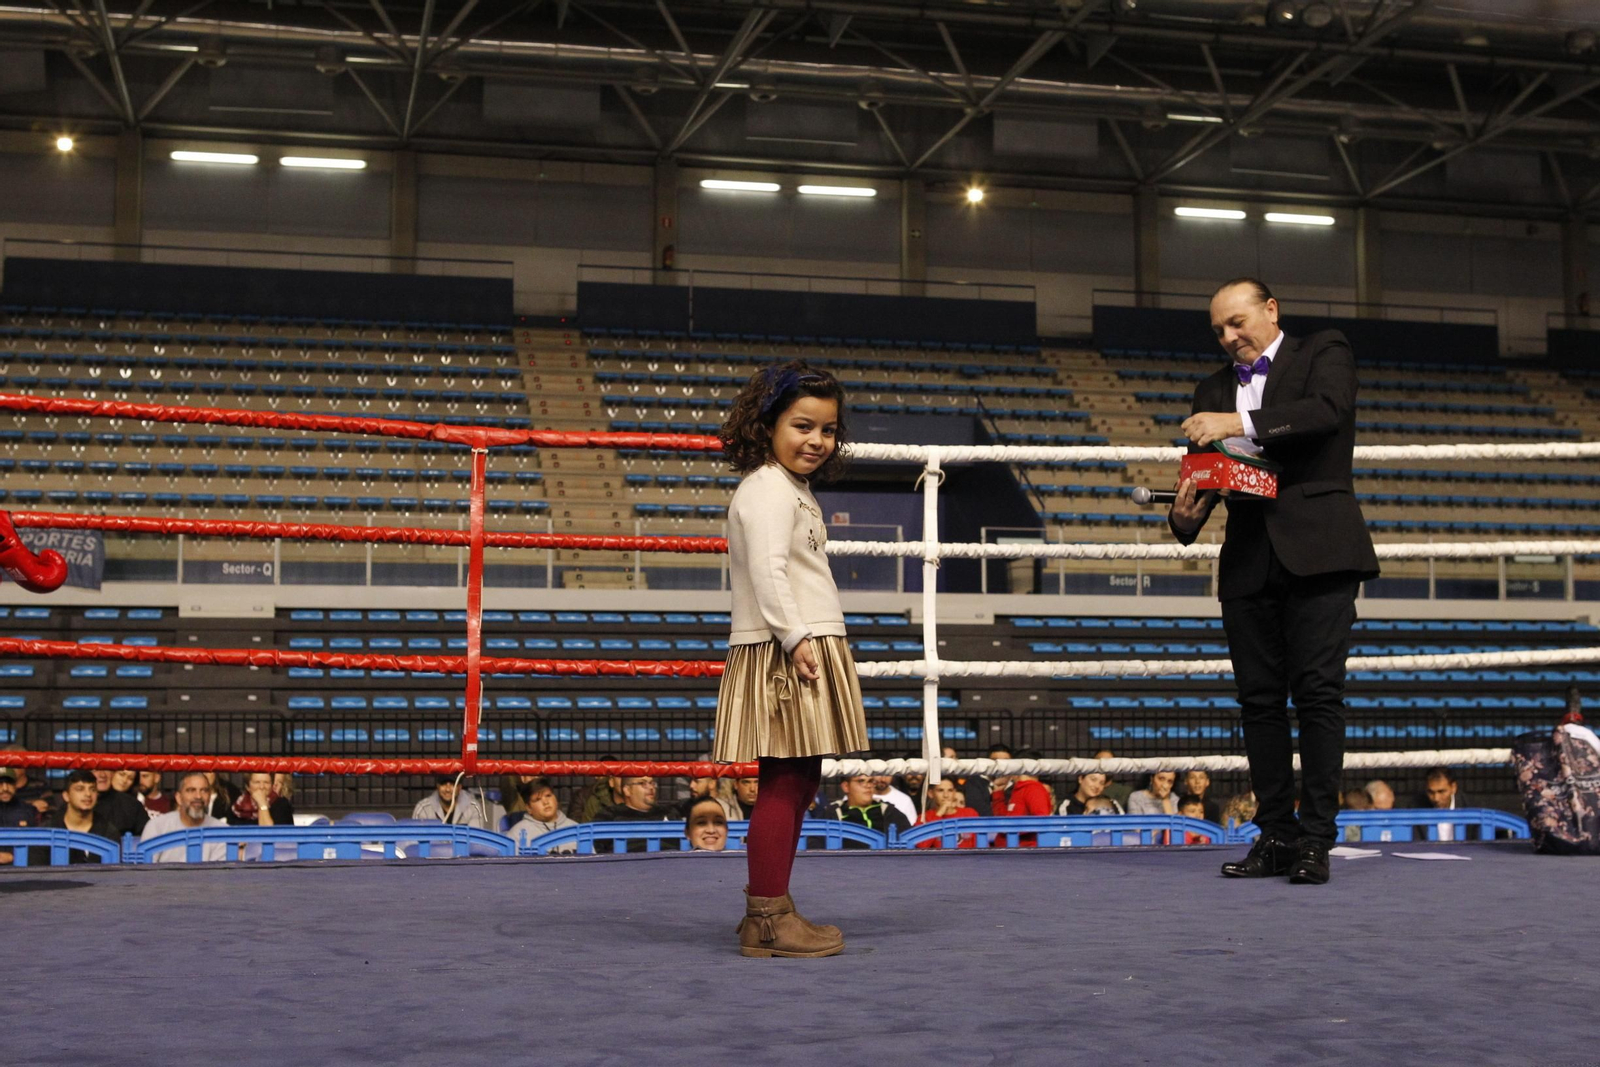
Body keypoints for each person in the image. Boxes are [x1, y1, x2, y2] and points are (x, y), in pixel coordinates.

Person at [1168, 278, 1378, 886]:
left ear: (1271, 309)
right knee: (1259, 704)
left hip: (1320, 551)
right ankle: (1277, 836)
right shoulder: (1212, 389)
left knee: (1317, 696)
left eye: (1237, 323)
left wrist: (1237, 419)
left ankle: (1316, 841)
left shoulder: (1323, 351)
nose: (1229, 338)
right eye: (1218, 331)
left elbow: (1326, 413)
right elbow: (1204, 484)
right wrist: (1183, 518)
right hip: (1248, 561)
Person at [713, 361, 864, 959]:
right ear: (768, 422)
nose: (817, 441)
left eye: (828, 430)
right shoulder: (768, 488)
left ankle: (770, 910)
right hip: (787, 645)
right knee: (784, 778)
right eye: (803, 425)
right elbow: (768, 571)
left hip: (795, 639)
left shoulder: (787, 488)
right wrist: (796, 637)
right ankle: (768, 919)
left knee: (799, 777)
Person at [141, 771, 229, 862]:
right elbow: (145, 872)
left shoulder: (222, 831)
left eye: (204, 790)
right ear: (179, 798)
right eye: (191, 790)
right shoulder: (157, 827)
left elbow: (220, 874)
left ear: (209, 797)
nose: (198, 796)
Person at [34, 769, 119, 865]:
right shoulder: (46, 832)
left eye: (92, 789)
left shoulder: (108, 832)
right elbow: (37, 875)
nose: (88, 794)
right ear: (66, 796)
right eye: (80, 789)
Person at [827, 774, 910, 844]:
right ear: (846, 786)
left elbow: (910, 846)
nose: (868, 786)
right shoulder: (831, 815)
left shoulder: (891, 813)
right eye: (861, 781)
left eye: (870, 781)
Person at [511, 778, 578, 853]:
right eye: (538, 799)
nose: (545, 802)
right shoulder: (517, 833)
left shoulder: (575, 828)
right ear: (529, 808)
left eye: (548, 795)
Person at [914, 778, 979, 849]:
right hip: (938, 859)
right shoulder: (924, 818)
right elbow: (922, 846)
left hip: (969, 859)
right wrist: (939, 814)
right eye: (940, 790)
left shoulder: (970, 813)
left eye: (950, 790)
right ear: (931, 793)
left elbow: (981, 845)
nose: (946, 795)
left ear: (954, 792)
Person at [412, 774, 489, 829]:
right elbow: (415, 842)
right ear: (437, 786)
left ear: (460, 787)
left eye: (453, 784)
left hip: (463, 852)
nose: (448, 789)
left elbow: (474, 843)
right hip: (431, 852)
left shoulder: (473, 807)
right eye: (443, 784)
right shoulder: (423, 808)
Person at [92, 767, 148, 837]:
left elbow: (148, 839)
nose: (103, 775)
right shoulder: (77, 804)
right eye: (97, 769)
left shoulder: (132, 806)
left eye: (107, 769)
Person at [226, 772, 294, 827]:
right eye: (257, 782)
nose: (262, 787)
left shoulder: (281, 804)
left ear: (271, 785)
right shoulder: (237, 807)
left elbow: (269, 834)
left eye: (266, 782)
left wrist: (262, 804)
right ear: (247, 787)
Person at [0, 768, 37, 865]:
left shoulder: (29, 811)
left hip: (21, 871)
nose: (5, 788)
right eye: (0, 783)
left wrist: (13, 856)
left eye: (9, 783)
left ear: (16, 785)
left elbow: (38, 845)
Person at [943, 745, 992, 816]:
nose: (955, 760)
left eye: (955, 757)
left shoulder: (974, 781)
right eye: (951, 758)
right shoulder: (934, 783)